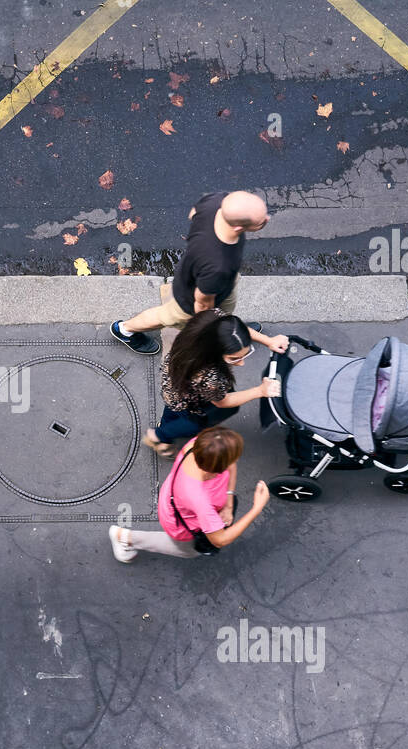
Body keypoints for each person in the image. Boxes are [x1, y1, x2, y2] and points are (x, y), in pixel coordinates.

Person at [110, 190, 286, 356]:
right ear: (239, 228)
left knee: (225, 310)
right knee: (165, 316)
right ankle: (125, 330)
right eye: (261, 221)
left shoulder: (217, 201)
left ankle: (233, 330)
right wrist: (218, 327)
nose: (267, 219)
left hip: (216, 284)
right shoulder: (218, 265)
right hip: (192, 299)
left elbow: (194, 212)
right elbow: (204, 309)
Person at [108, 426, 270, 561]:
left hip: (173, 499)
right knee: (188, 550)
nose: (235, 460)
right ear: (216, 469)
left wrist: (228, 502)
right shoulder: (200, 500)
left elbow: (231, 463)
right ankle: (125, 538)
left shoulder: (202, 446)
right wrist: (257, 508)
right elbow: (220, 540)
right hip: (182, 525)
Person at [142, 309, 281, 457]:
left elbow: (235, 330)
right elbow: (223, 402)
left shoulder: (212, 320)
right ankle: (159, 436)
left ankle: (164, 425)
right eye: (234, 358)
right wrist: (260, 391)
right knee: (195, 422)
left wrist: (269, 341)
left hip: (173, 382)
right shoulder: (210, 376)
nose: (241, 363)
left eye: (245, 354)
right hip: (191, 399)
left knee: (172, 408)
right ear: (214, 352)